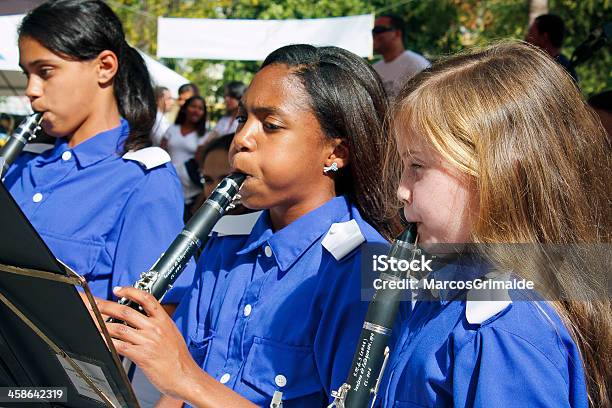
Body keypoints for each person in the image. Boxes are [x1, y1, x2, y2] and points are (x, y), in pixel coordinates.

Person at [97, 44, 399, 407]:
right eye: (243, 119)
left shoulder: (359, 267)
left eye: (271, 126)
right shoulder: (226, 244)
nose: (241, 140)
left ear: (336, 152)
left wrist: (186, 379)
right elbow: (174, 393)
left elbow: (183, 378)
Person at [381, 41, 610, 407]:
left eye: (417, 166)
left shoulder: (503, 333)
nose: (401, 190)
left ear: (496, 174)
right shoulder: (446, 287)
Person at [4, 0, 195, 303]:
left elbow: (145, 318)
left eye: (46, 71)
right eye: (27, 74)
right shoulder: (20, 164)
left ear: (104, 67)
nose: (31, 90)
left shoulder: (143, 178)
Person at [161, 95, 208, 214]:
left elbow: (203, 164)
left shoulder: (203, 135)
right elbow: (161, 152)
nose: (196, 111)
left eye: (200, 108)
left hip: (191, 190)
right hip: (168, 182)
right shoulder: (172, 129)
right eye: (193, 106)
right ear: (185, 108)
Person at [372, 14, 430, 97]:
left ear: (397, 33)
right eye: (373, 31)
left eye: (379, 30)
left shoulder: (417, 65)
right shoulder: (374, 69)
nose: (374, 35)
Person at [526, 13, 578, 82]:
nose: (526, 37)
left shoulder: (565, 71)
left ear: (544, 37)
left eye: (531, 33)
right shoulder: (568, 69)